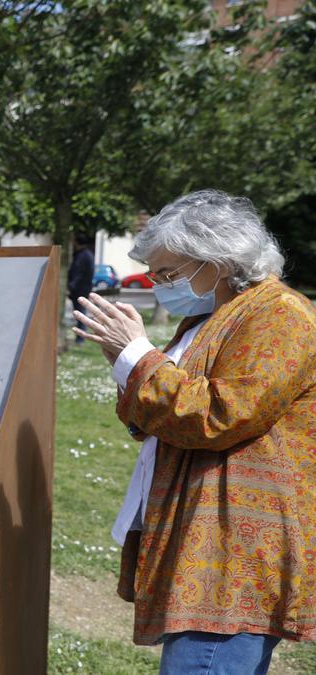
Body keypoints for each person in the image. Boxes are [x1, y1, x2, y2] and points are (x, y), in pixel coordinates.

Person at [73, 190, 316, 674]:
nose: (160, 284)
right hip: (202, 532)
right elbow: (153, 415)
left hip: (235, 547)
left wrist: (139, 359)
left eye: (169, 273)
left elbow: (223, 414)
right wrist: (129, 365)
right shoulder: (207, 317)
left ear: (218, 261)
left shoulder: (279, 315)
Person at [68, 235, 95, 344]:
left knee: (80, 314)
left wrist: (71, 286)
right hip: (85, 288)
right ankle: (81, 337)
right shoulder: (88, 254)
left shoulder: (81, 255)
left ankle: (80, 339)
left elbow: (77, 273)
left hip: (79, 289)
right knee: (81, 313)